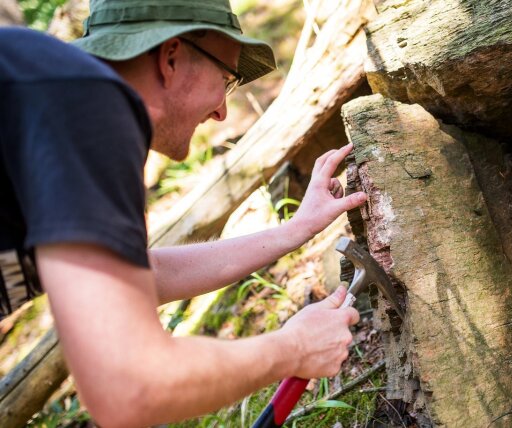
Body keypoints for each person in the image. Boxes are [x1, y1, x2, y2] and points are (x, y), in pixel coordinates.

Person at [0, 0, 368, 425]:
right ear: (171, 56)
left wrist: (297, 229)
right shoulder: (89, 109)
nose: (222, 111)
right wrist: (293, 349)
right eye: (227, 79)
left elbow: (142, 276)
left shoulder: (53, 95)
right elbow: (129, 386)